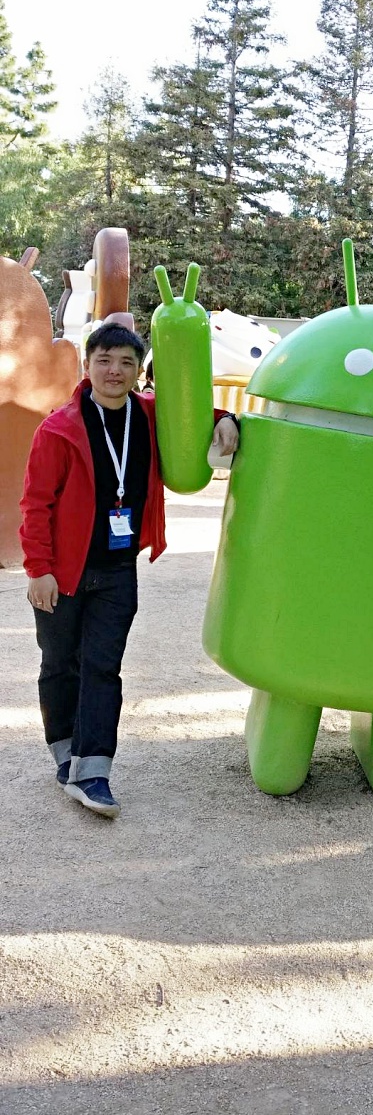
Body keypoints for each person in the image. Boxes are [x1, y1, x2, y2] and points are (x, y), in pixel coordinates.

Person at [19, 322, 239, 819]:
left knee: (103, 668)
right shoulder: (59, 429)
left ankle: (93, 772)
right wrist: (39, 570)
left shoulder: (150, 416)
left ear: (139, 372)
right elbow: (34, 505)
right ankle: (65, 751)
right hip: (64, 572)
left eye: (125, 363)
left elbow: (194, 419)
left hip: (118, 570)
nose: (114, 371)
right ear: (88, 365)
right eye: (104, 360)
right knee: (59, 665)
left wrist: (228, 418)